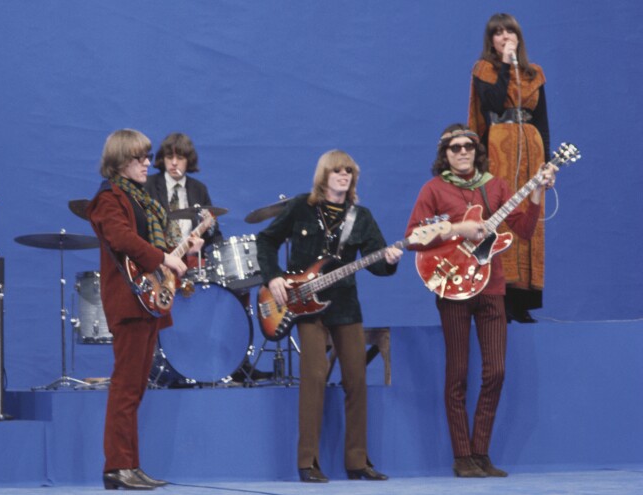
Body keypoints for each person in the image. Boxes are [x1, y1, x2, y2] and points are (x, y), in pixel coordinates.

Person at [405, 124, 556, 478]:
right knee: (457, 374)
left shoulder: (496, 186)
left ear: (476, 151)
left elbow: (523, 230)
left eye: (468, 146)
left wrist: (536, 193)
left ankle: (481, 452)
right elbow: (413, 237)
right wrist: (458, 230)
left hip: (492, 285)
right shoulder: (434, 189)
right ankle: (462, 457)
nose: (462, 152)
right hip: (453, 286)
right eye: (455, 147)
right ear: (445, 153)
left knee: (496, 371)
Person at [256, 149, 401, 483]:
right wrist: (274, 276)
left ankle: (357, 461)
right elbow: (266, 240)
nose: (343, 175)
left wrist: (390, 259)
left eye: (348, 171)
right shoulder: (300, 207)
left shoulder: (360, 216)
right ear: (324, 175)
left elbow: (377, 265)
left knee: (357, 381)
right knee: (314, 380)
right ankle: (307, 463)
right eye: (337, 170)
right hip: (306, 308)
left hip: (346, 306)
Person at [86, 129, 203, 490]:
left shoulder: (142, 199)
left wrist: (188, 249)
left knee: (135, 387)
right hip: (129, 300)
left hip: (146, 301)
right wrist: (164, 255)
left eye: (147, 157)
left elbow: (157, 245)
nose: (147, 164)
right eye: (139, 158)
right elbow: (122, 239)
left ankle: (129, 465)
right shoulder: (108, 197)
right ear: (120, 161)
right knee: (126, 386)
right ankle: (117, 466)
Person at [468, 13, 550, 322]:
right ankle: (501, 299)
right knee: (502, 218)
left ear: (518, 36)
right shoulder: (484, 70)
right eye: (498, 33)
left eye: (509, 32)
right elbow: (492, 103)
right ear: (491, 40)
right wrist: (505, 64)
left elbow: (542, 120)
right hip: (499, 151)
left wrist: (549, 165)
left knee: (531, 217)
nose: (505, 36)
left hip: (531, 149)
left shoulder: (535, 74)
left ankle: (523, 302)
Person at [144, 132, 222, 251]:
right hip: (157, 259)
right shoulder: (148, 185)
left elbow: (213, 234)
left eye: (180, 158)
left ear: (188, 161)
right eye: (169, 157)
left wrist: (209, 226)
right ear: (163, 159)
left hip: (192, 260)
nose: (174, 163)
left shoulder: (199, 189)